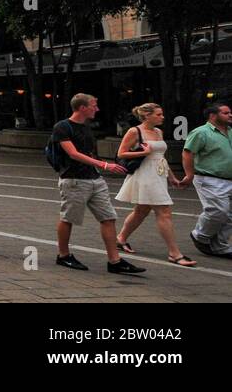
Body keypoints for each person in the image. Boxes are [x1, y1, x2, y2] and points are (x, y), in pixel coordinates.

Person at [51, 93, 144, 274]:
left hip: (95, 179)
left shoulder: (86, 127)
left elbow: (88, 153)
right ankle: (63, 255)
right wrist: (104, 165)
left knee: (108, 217)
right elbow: (73, 154)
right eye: (94, 105)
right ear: (82, 107)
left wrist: (101, 167)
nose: (97, 109)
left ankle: (114, 261)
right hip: (74, 180)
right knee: (68, 218)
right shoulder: (62, 127)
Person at [114, 102, 195, 266]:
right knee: (164, 212)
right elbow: (121, 153)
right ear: (146, 116)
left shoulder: (158, 131)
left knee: (141, 210)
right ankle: (174, 253)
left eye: (162, 114)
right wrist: (143, 152)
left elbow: (160, 157)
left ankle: (120, 239)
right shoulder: (134, 131)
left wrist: (171, 177)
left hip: (158, 174)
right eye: (158, 114)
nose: (162, 117)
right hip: (145, 175)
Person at [179, 100, 232, 258]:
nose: (230, 115)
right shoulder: (201, 132)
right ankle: (200, 235)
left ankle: (220, 246)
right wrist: (189, 174)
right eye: (226, 113)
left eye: (230, 112)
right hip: (209, 178)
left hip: (229, 178)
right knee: (218, 211)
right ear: (212, 115)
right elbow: (188, 153)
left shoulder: (230, 131)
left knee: (229, 216)